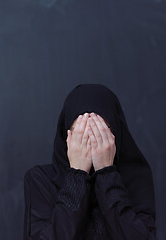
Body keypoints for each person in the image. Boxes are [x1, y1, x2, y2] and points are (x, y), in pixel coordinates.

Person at [23, 83, 156, 239]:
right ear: (66, 137)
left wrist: (106, 173)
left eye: (101, 133)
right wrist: (77, 175)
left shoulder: (135, 179)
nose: (91, 141)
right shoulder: (41, 181)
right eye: (81, 132)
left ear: (115, 136)